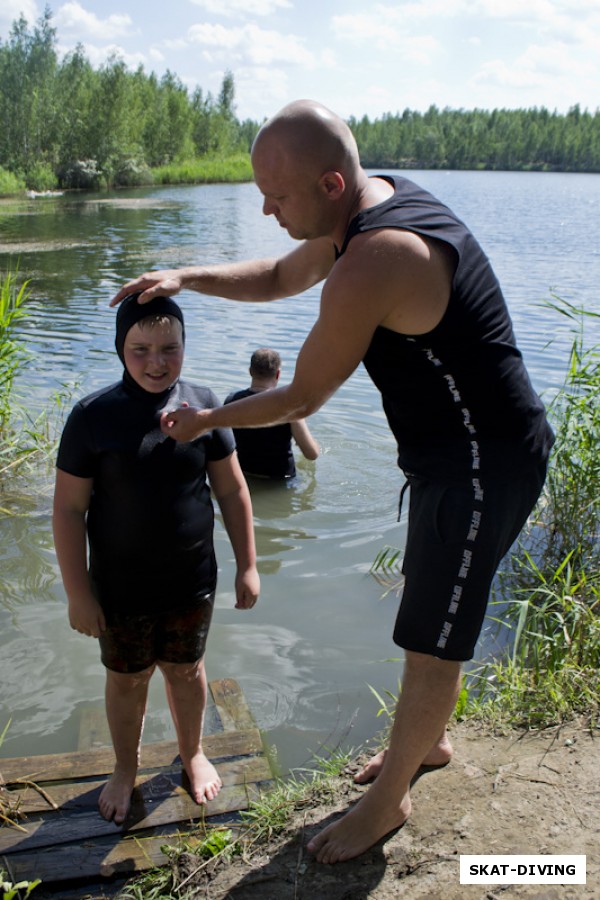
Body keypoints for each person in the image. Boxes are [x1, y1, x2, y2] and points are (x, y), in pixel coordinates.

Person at [110, 99, 554, 863]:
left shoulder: (377, 259)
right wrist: (188, 275)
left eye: (278, 198)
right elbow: (283, 274)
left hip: (483, 465)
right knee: (428, 598)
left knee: (430, 638)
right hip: (460, 457)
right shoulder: (365, 204)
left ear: (330, 183)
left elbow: (302, 398)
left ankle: (389, 801)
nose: (265, 208)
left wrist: (208, 421)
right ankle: (430, 742)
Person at [52, 293, 260, 826]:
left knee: (187, 671)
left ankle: (192, 753)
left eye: (169, 348)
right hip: (119, 589)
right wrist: (78, 593)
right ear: (121, 348)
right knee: (126, 678)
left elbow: (233, 492)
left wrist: (248, 564)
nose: (156, 361)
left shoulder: (205, 406)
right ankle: (125, 768)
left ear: (186, 345)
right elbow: (69, 510)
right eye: (140, 349)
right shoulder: (92, 417)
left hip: (191, 581)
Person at [225, 347, 320, 479]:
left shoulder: (231, 401)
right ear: (278, 374)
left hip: (242, 474)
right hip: (278, 478)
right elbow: (312, 454)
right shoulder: (289, 406)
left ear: (250, 371)